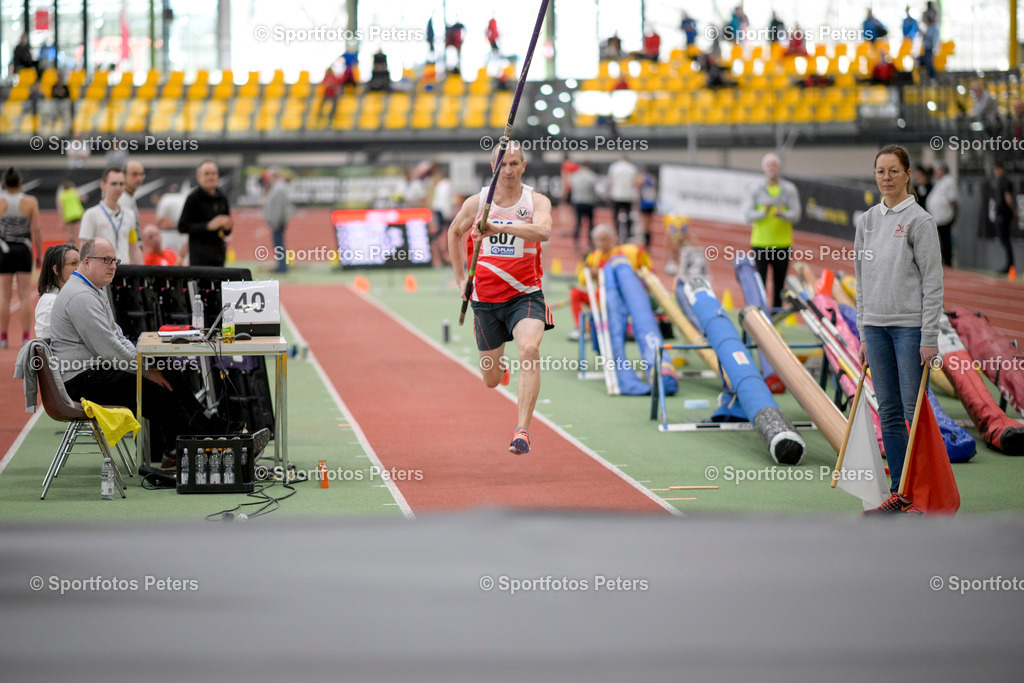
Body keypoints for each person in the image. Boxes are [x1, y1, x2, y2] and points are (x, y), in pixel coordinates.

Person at [50, 238, 221, 469]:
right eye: (107, 260)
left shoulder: (93, 290)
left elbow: (118, 336)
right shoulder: (80, 297)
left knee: (168, 374)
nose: (113, 266)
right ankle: (194, 451)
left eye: (115, 261)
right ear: (87, 262)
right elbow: (110, 350)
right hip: (82, 380)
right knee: (158, 391)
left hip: (94, 371)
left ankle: (211, 433)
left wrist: (148, 366)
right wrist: (146, 372)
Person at [447, 142, 553, 454]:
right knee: (491, 380)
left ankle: (522, 430)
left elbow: (544, 232)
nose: (508, 170)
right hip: (485, 300)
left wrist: (499, 227)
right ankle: (500, 368)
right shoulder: (478, 202)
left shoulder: (535, 201)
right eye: (503, 164)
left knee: (530, 349)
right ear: (494, 167)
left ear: (524, 167)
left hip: (525, 294)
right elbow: (454, 232)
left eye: (515, 164)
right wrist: (459, 279)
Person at [856, 145, 943, 514]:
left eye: (893, 171)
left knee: (914, 412)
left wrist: (930, 337)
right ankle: (900, 493)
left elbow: (933, 283)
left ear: (908, 174)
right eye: (880, 171)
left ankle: (923, 491)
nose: (886, 178)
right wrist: (862, 332)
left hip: (909, 330)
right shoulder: (867, 221)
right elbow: (860, 280)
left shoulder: (920, 222)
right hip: (874, 328)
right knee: (889, 412)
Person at [567, 224, 651, 341]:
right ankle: (581, 328)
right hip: (598, 294)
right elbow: (583, 281)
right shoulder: (592, 257)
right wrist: (589, 272)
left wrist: (600, 273)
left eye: (604, 239)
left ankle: (621, 328)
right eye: (598, 240)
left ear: (612, 239)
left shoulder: (621, 254)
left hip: (617, 294)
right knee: (575, 293)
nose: (601, 243)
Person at [741, 153, 801, 310]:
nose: (772, 167)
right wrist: (764, 212)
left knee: (779, 284)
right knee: (759, 283)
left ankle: (775, 319)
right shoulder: (755, 189)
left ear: (779, 168)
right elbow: (747, 215)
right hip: (760, 244)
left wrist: (781, 213)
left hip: (782, 244)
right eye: (769, 164)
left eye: (774, 164)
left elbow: (796, 215)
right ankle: (760, 316)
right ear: (763, 168)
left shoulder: (789, 190)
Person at [0, 167, 43, 349]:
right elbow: (37, 230)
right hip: (23, 249)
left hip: (5, 249)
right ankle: (26, 336)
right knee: (25, 294)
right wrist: (39, 253)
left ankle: (3, 337)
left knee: (4, 294)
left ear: (4, 183)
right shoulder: (30, 201)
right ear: (20, 182)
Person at [79, 167, 142, 265]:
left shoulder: (129, 215)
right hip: (102, 273)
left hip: (126, 271)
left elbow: (134, 248)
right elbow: (83, 250)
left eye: (121, 184)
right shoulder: (91, 214)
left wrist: (142, 274)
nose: (118, 188)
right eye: (114, 183)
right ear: (103, 185)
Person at [178, 160, 233, 267]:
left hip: (219, 255)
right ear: (199, 177)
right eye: (207, 174)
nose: (211, 177)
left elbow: (227, 231)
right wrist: (207, 226)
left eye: (213, 173)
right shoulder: (193, 198)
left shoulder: (222, 197)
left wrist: (227, 227)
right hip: (199, 257)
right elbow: (182, 227)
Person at [34, 243, 79, 339]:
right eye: (74, 264)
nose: (79, 268)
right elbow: (44, 345)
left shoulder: (71, 295)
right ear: (57, 269)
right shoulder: (50, 302)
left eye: (81, 263)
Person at [925, 162, 958, 267]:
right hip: (937, 216)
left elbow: (952, 199)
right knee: (939, 240)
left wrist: (954, 214)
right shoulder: (939, 181)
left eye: (938, 170)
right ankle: (943, 260)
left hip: (945, 215)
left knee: (945, 239)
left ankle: (948, 262)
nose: (936, 172)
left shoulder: (948, 181)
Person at [262, 167, 292, 273]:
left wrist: (276, 221)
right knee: (278, 243)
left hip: (277, 222)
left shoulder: (278, 188)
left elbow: (278, 206)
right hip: (277, 221)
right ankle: (281, 264)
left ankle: (282, 266)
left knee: (278, 243)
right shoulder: (278, 187)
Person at [990, 162, 1017, 274]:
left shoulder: (1005, 181)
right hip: (1002, 213)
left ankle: (1010, 265)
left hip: (1004, 213)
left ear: (1002, 169)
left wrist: (1013, 211)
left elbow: (1008, 198)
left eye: (997, 169)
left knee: (1005, 240)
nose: (995, 172)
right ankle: (1009, 264)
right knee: (1004, 240)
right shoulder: (1000, 181)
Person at [607, 154, 639, 244]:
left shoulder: (614, 167)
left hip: (616, 195)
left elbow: (610, 182)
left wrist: (608, 194)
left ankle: (617, 234)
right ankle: (628, 234)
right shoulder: (632, 168)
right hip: (628, 195)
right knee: (628, 215)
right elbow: (635, 182)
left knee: (616, 216)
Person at [155, 182, 188, 262]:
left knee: (172, 258)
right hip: (187, 231)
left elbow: (158, 221)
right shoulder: (183, 197)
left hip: (179, 233)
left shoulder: (166, 198)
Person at [570, 162, 599, 255]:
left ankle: (576, 242)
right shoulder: (592, 176)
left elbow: (572, 187)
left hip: (578, 201)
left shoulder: (575, 176)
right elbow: (596, 189)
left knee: (578, 223)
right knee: (590, 224)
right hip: (589, 202)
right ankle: (590, 243)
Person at [119, 160, 146, 240]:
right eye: (134, 174)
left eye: (141, 174)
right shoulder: (121, 200)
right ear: (124, 175)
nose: (139, 178)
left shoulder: (129, 197)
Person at [636, 167, 658, 249]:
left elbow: (638, 192)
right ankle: (648, 241)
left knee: (645, 224)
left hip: (644, 204)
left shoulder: (640, 179)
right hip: (651, 203)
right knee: (649, 224)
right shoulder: (651, 179)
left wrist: (637, 204)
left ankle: (646, 243)